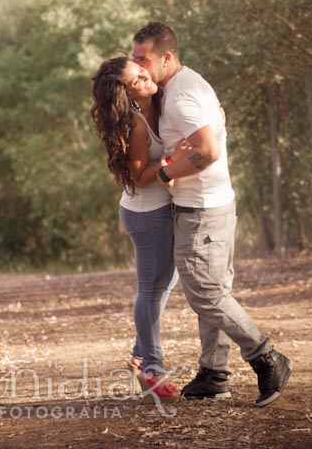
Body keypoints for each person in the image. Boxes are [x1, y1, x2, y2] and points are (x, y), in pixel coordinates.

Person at [131, 21, 293, 407]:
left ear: (166, 58)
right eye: (134, 59)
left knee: (204, 293)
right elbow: (214, 127)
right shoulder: (186, 83)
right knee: (215, 289)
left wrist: (167, 172)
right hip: (214, 203)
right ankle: (214, 373)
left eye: (144, 60)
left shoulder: (179, 96)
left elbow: (207, 150)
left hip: (202, 208)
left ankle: (267, 358)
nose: (138, 67)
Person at [91, 56, 183, 402]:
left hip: (155, 212)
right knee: (150, 290)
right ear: (127, 95)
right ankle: (152, 371)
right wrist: (171, 160)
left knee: (166, 283)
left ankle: (139, 354)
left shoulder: (153, 107)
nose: (145, 77)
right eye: (136, 80)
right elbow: (140, 179)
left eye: (141, 71)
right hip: (146, 215)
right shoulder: (137, 124)